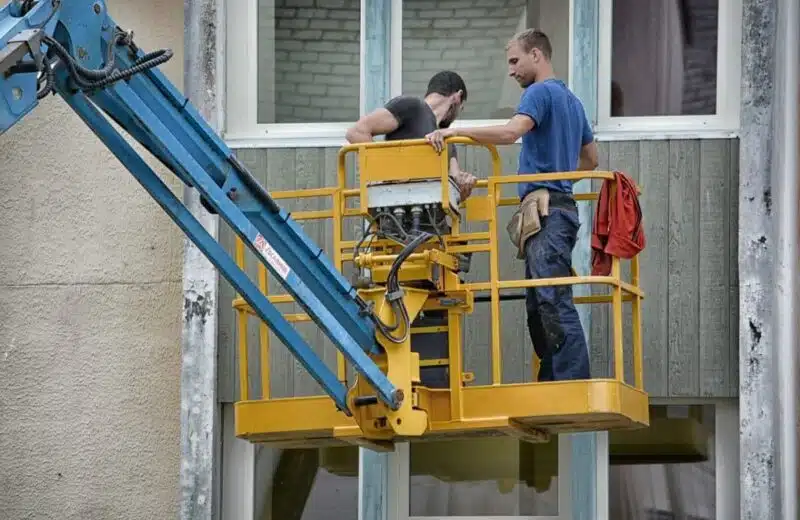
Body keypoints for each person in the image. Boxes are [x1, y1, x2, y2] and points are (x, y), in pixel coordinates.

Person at [424, 29, 599, 382]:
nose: (511, 70)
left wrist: (454, 134)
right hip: (557, 209)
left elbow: (510, 133)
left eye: (515, 60)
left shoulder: (539, 92)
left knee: (550, 298)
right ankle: (554, 379)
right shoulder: (572, 101)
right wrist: (559, 182)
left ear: (537, 55)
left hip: (547, 212)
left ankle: (569, 382)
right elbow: (592, 160)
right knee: (540, 302)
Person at [345, 70, 477, 201]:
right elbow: (356, 132)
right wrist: (388, 175)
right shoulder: (412, 107)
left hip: (431, 218)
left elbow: (456, 186)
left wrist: (465, 185)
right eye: (462, 108)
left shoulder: (449, 141)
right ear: (458, 96)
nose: (457, 116)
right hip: (395, 211)